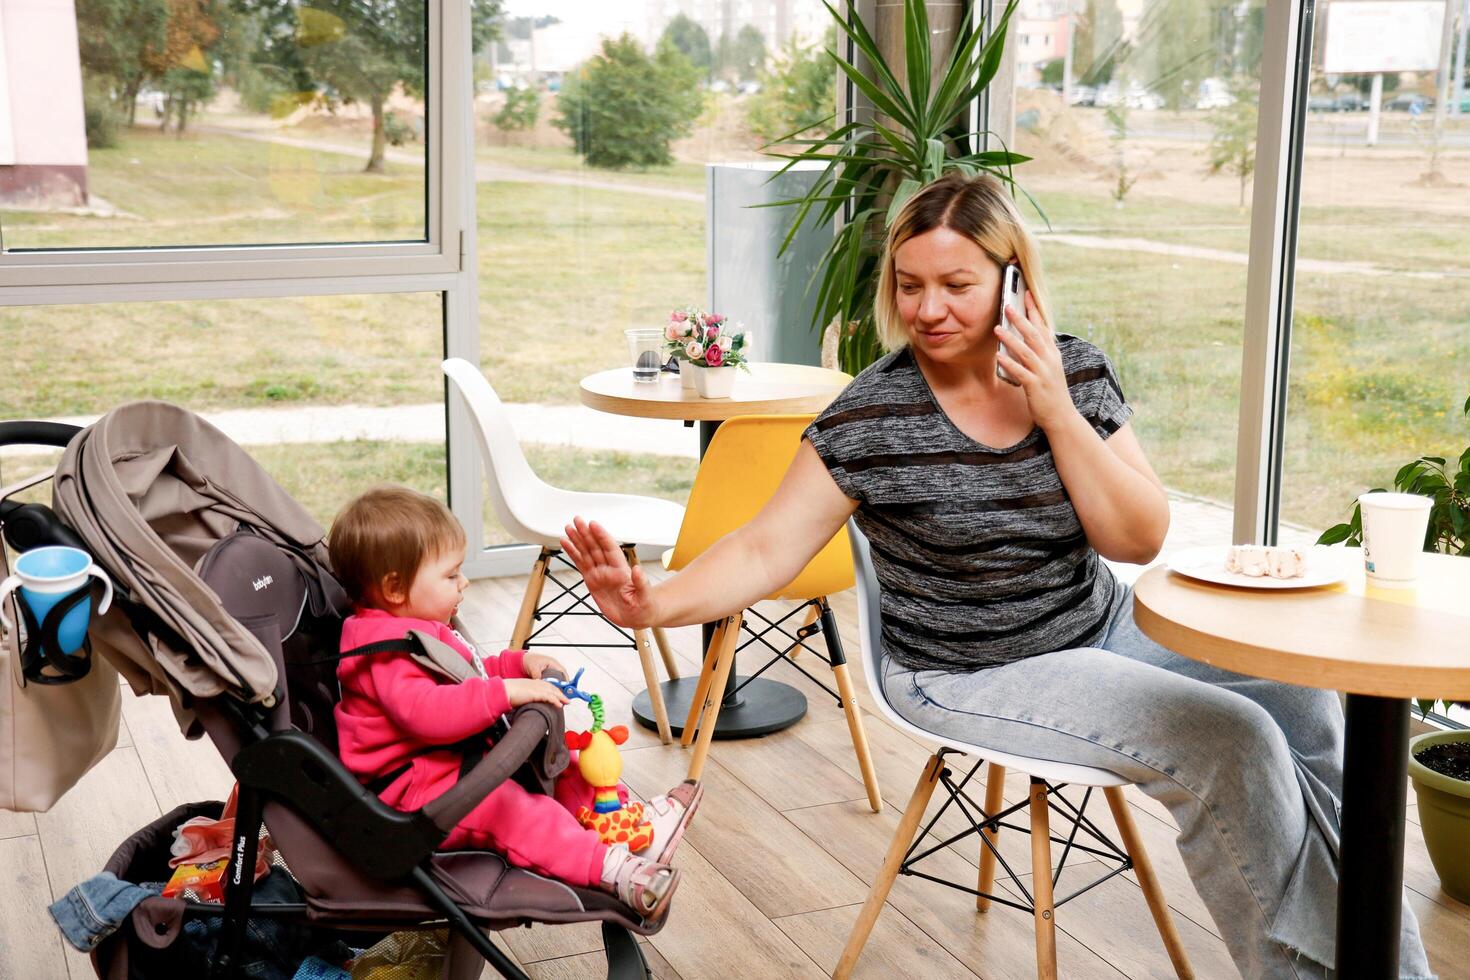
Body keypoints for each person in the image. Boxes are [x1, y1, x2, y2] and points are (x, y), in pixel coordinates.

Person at [561, 172, 1433, 977]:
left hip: (1103, 627)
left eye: (956, 285)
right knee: (1230, 739)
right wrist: (654, 603)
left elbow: (1138, 538)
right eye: (910, 285)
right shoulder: (871, 414)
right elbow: (762, 549)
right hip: (969, 671)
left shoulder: (1076, 369)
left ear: (1014, 281)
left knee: (1304, 701)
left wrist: (1054, 407)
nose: (928, 309)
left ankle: (1387, 968)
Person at [328, 486, 701, 921]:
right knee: (513, 810)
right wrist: (506, 694)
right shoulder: (384, 652)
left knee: (564, 768)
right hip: (412, 797)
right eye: (451, 576)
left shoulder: (417, 625)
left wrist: (517, 663)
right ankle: (612, 871)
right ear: (394, 588)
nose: (464, 583)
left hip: (444, 767)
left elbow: (467, 672)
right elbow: (430, 713)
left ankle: (633, 831)